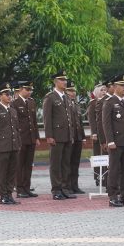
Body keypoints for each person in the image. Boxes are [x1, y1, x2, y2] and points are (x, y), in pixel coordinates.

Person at [102, 75, 124, 207]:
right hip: (116, 142)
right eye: (122, 86)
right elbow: (106, 123)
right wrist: (110, 141)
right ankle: (113, 196)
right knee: (114, 170)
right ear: (115, 87)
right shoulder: (110, 102)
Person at [43, 70, 75, 200]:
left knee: (66, 163)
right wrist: (49, 135)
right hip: (56, 136)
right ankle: (56, 189)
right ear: (56, 82)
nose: (65, 82)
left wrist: (71, 134)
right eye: (62, 80)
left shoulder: (66, 97)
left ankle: (65, 188)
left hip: (67, 135)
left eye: (65, 80)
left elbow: (69, 119)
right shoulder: (50, 97)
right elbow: (47, 118)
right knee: (56, 164)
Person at [0, 83, 21, 205]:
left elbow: (16, 129)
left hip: (13, 145)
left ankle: (9, 194)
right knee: (3, 172)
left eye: (10, 94)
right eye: (6, 94)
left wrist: (18, 143)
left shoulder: (12, 110)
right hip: (2, 147)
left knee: (12, 172)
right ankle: (3, 196)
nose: (9, 96)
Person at [12, 80, 39, 198]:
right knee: (19, 165)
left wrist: (37, 137)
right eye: (27, 89)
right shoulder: (14, 103)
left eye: (30, 90)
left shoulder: (32, 102)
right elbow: (14, 123)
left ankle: (27, 188)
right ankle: (19, 189)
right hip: (21, 138)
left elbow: (34, 121)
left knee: (28, 165)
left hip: (31, 138)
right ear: (20, 90)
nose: (29, 92)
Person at [66, 81, 86, 194]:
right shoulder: (65, 103)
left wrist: (82, 137)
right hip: (70, 136)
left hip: (78, 136)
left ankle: (75, 185)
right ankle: (67, 185)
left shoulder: (76, 104)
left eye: (74, 91)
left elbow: (80, 122)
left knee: (75, 162)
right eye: (70, 90)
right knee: (68, 162)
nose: (72, 93)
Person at [87, 82, 108, 186]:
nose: (104, 92)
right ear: (96, 92)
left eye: (105, 90)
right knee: (98, 156)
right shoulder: (93, 103)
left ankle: (106, 176)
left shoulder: (107, 101)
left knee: (106, 156)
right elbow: (92, 120)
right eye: (101, 90)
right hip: (97, 135)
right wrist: (94, 133)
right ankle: (98, 177)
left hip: (106, 133)